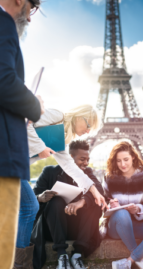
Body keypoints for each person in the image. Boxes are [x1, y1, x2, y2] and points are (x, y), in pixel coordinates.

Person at [0, 0, 43, 268]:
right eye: (32, 8)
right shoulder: (4, 23)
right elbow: (3, 80)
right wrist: (33, 104)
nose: (30, 18)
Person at [31, 140, 104, 269]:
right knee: (56, 201)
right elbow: (32, 198)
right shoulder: (49, 172)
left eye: (88, 159)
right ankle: (62, 256)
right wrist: (41, 198)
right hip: (55, 229)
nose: (86, 163)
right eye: (82, 159)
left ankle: (77, 255)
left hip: (79, 230)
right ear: (70, 158)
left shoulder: (87, 172)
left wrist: (81, 202)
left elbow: (99, 191)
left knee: (95, 203)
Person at [28, 106, 107, 207]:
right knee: (28, 207)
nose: (88, 131)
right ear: (78, 117)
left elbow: (70, 167)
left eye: (90, 129)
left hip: (14, 166)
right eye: (88, 125)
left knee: (28, 207)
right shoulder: (57, 115)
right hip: (7, 156)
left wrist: (94, 191)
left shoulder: (62, 139)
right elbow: (25, 121)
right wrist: (41, 148)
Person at [103, 141, 143, 269]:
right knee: (122, 214)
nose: (122, 164)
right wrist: (111, 205)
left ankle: (131, 259)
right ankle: (139, 256)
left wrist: (138, 209)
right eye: (118, 161)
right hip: (117, 226)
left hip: (139, 225)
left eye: (126, 159)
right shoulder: (109, 177)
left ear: (133, 156)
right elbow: (104, 202)